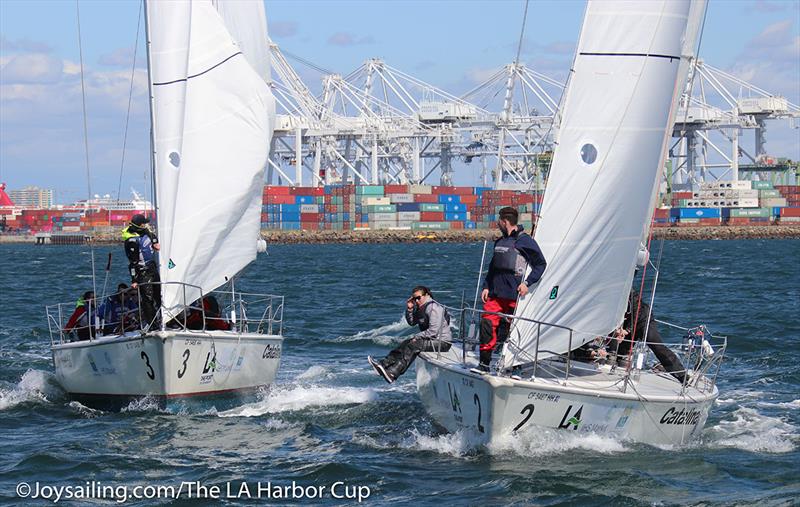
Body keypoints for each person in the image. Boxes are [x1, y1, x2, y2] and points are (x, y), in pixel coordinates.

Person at [479, 207, 547, 370]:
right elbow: (493, 267)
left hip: (515, 296)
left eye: (499, 222)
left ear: (504, 222)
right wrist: (486, 286)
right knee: (487, 324)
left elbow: (540, 264)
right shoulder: (499, 241)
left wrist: (527, 283)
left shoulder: (525, 241)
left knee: (514, 330)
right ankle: (484, 364)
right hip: (495, 294)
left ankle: (514, 365)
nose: (498, 225)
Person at [368, 286, 452, 383]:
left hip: (442, 342)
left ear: (427, 295)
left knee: (413, 345)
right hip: (431, 340)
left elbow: (434, 331)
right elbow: (412, 322)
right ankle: (384, 364)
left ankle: (393, 373)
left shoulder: (433, 308)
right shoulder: (422, 308)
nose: (416, 300)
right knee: (406, 342)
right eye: (414, 298)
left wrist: (417, 337)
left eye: (418, 298)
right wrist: (410, 309)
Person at [614, 290, 686, 383]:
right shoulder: (612, 294)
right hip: (628, 322)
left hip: (643, 321)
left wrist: (627, 330)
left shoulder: (630, 293)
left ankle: (681, 375)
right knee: (621, 350)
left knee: (657, 346)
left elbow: (637, 311)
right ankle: (617, 373)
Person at [122, 214, 161, 330]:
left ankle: (163, 320)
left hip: (152, 268)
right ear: (138, 225)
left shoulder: (146, 231)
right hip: (142, 271)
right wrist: (133, 279)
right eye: (144, 223)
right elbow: (133, 262)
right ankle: (153, 325)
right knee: (147, 298)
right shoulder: (131, 240)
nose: (146, 225)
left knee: (158, 295)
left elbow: (153, 237)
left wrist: (155, 243)